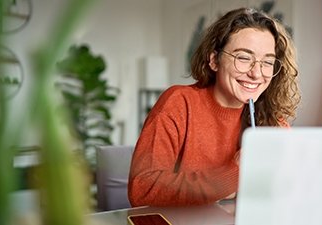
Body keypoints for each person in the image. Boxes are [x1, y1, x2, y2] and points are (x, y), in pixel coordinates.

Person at [128, 7, 300, 207]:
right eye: (244, 58)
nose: (256, 73)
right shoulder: (179, 103)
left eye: (267, 62)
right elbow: (142, 189)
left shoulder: (273, 123)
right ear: (214, 60)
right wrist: (234, 173)